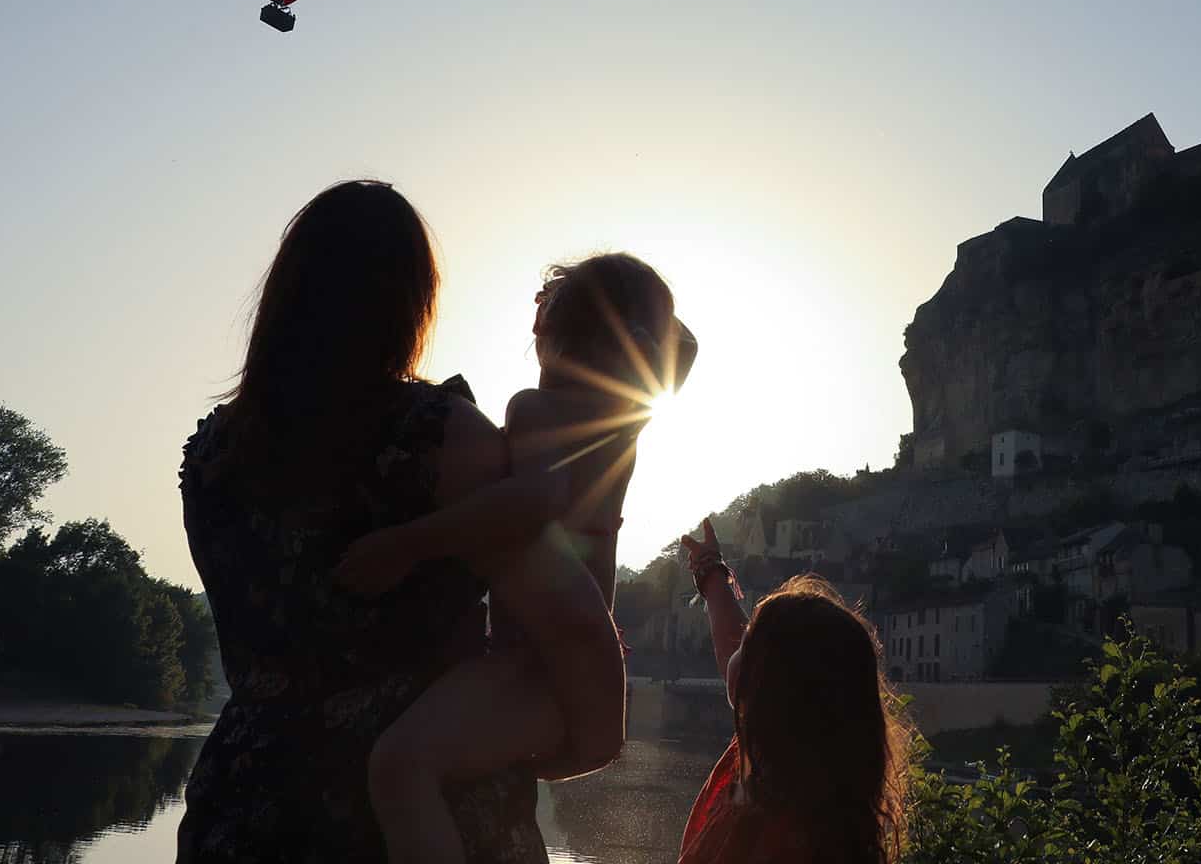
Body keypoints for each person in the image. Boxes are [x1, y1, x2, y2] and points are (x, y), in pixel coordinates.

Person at [177, 180, 618, 864]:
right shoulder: (439, 441)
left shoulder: (210, 458)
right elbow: (574, 621)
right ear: (411, 301)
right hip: (418, 820)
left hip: (247, 808)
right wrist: (586, 742)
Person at [333, 252, 697, 864]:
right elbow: (683, 349)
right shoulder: (627, 420)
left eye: (541, 316)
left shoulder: (535, 409)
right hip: (580, 666)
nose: (533, 330)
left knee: (401, 769)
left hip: (540, 665)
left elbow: (532, 500)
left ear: (552, 336)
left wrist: (404, 543)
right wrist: (610, 311)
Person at [676, 520, 911, 864]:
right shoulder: (802, 780)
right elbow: (736, 658)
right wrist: (712, 575)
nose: (738, 643)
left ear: (770, 690)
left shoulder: (779, 835)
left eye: (750, 638)